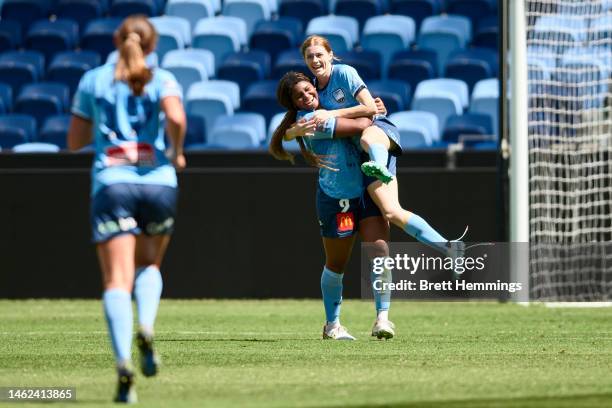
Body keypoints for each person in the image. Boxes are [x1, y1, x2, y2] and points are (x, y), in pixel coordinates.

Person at [67, 16, 186, 404]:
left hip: (112, 183)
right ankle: (147, 326)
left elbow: (74, 141)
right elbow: (177, 118)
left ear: (117, 40)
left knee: (116, 281)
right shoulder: (164, 78)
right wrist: (177, 151)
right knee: (149, 266)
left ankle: (123, 364)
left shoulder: (94, 79)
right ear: (152, 46)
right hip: (159, 183)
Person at [297, 35, 467, 259]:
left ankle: (380, 166)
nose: (315, 60)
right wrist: (293, 131)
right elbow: (298, 121)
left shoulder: (344, 73)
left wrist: (331, 114)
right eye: (310, 57)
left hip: (378, 130)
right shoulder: (314, 91)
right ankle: (450, 248)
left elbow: (371, 108)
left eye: (319, 55)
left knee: (368, 139)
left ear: (330, 55)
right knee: (391, 211)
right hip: (361, 157)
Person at [271, 72, 396, 341]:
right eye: (299, 96)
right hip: (337, 198)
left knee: (380, 252)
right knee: (337, 263)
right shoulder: (310, 120)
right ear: (294, 105)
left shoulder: (328, 110)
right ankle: (332, 325)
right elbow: (361, 124)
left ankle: (382, 319)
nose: (307, 96)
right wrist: (370, 112)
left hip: (364, 189)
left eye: (308, 89)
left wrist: (365, 111)